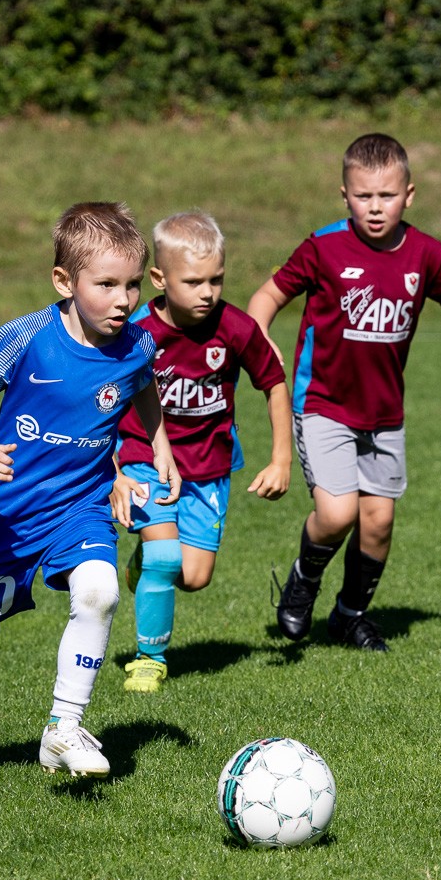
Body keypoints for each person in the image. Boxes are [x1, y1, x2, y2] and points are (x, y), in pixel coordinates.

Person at [0, 201, 180, 780]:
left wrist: (159, 444)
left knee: (99, 592)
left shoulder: (138, 344)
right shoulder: (25, 338)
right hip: (9, 513)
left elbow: (142, 384)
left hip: (82, 505)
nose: (123, 300)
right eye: (106, 285)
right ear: (64, 282)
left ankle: (62, 729)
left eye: (130, 285)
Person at [247, 132, 441, 653]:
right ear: (344, 195)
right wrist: (261, 339)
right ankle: (303, 579)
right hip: (322, 404)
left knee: (379, 522)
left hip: (384, 413)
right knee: (337, 514)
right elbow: (267, 296)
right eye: (363, 196)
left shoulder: (426, 253)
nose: (374, 207)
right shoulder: (323, 247)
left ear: (409, 195)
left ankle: (349, 616)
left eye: (386, 196)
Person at [108, 211, 292, 694]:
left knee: (193, 576)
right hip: (145, 457)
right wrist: (112, 467)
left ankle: (142, 563)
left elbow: (274, 382)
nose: (207, 292)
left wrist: (281, 460)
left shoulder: (237, 328)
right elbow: (101, 397)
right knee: (166, 558)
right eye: (193, 282)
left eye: (216, 279)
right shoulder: (136, 332)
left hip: (209, 468)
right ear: (159, 279)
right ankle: (149, 660)